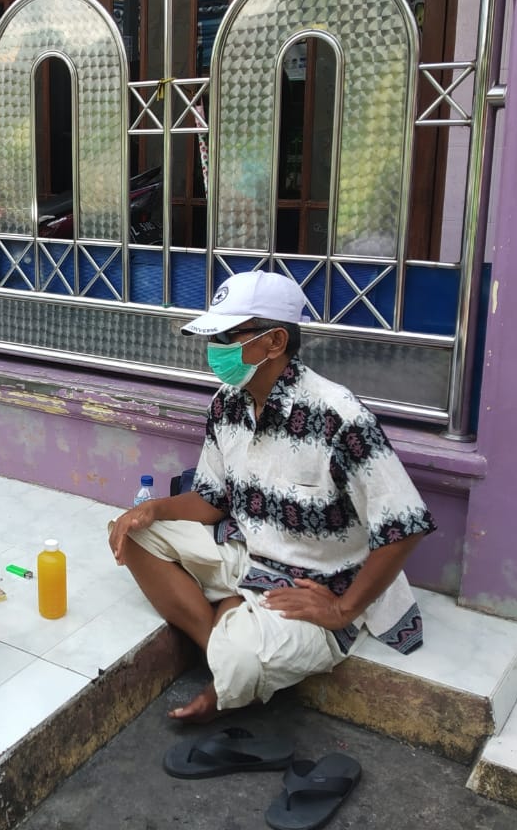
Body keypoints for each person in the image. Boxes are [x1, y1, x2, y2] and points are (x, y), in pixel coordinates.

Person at [109, 270, 436, 724]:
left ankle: (233, 655)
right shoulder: (227, 404)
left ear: (275, 341)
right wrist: (152, 509)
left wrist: (342, 609)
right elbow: (211, 501)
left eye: (227, 336)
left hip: (315, 583)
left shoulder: (337, 415)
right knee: (130, 534)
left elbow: (405, 525)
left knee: (245, 658)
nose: (215, 349)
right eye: (213, 337)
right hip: (247, 551)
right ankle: (223, 646)